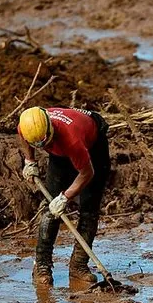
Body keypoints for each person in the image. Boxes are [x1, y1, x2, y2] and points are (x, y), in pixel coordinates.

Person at [18, 106, 111, 286]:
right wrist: (29, 160)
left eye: (43, 143)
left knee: (89, 209)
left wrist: (65, 197)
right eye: (38, 145)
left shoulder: (72, 140)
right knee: (49, 207)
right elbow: (22, 137)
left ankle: (78, 266)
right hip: (59, 148)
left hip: (93, 146)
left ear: (50, 129)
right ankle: (42, 265)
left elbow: (87, 173)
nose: (42, 148)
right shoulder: (28, 125)